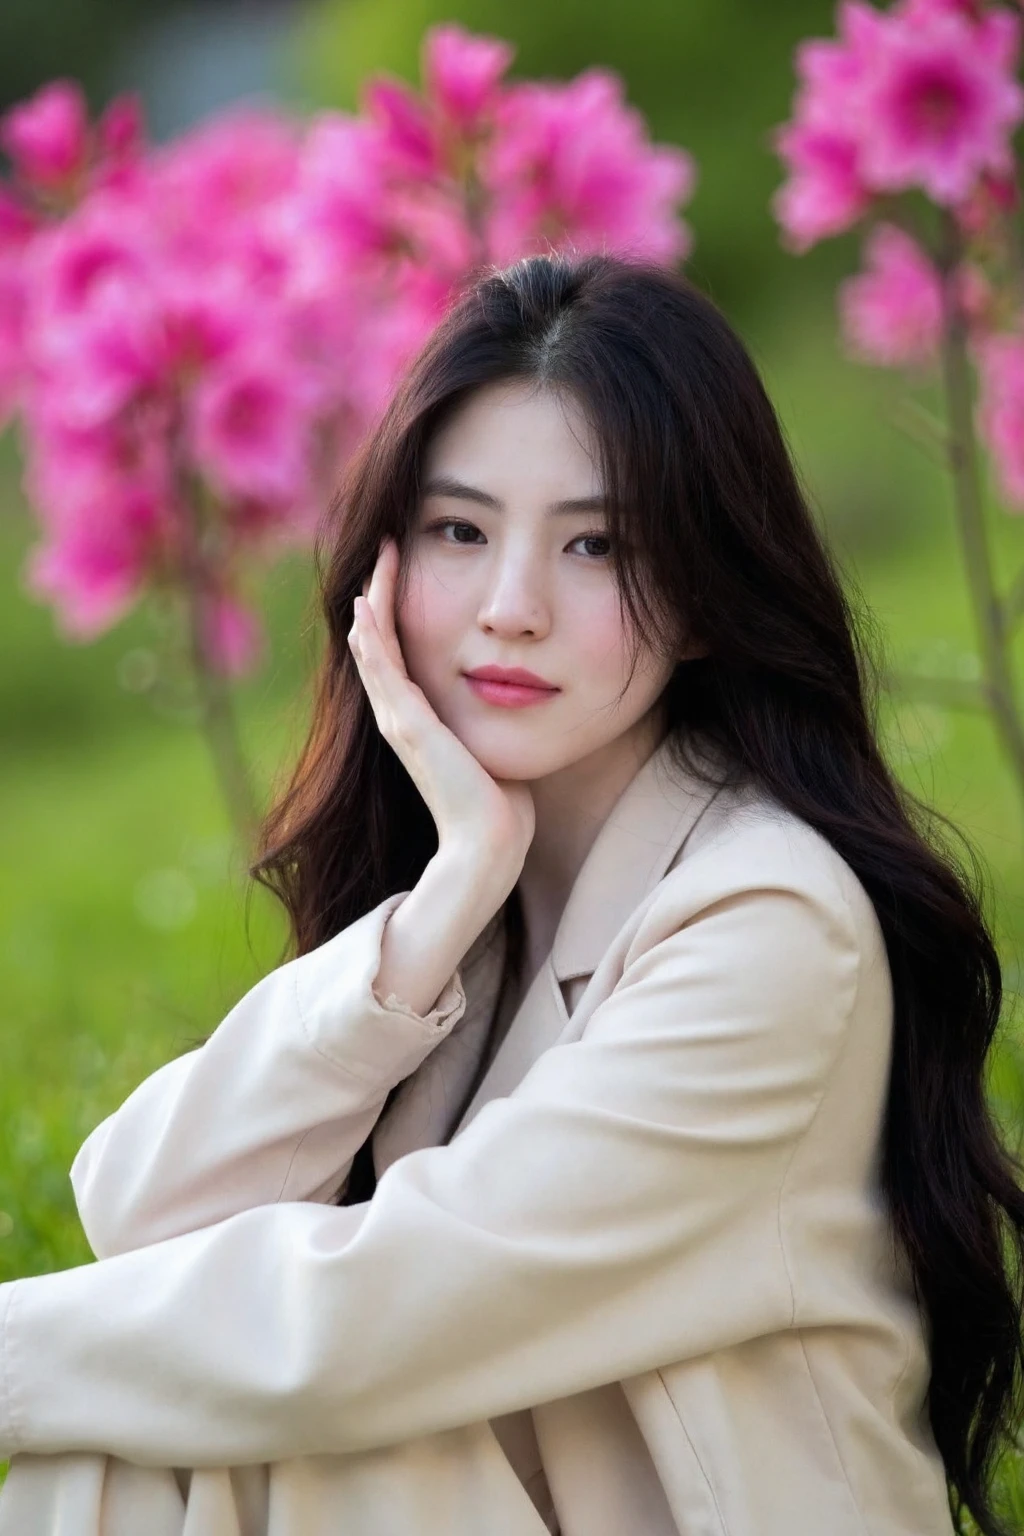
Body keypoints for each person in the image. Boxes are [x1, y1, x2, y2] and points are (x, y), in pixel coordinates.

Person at [0, 251, 1021, 1536]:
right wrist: (438, 908)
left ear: (707, 594)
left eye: (597, 544)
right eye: (459, 532)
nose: (510, 608)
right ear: (382, 569)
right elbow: (146, 1213)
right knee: (156, 1413)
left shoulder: (773, 928)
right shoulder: (483, 898)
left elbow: (383, 1320)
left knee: (244, 1411)